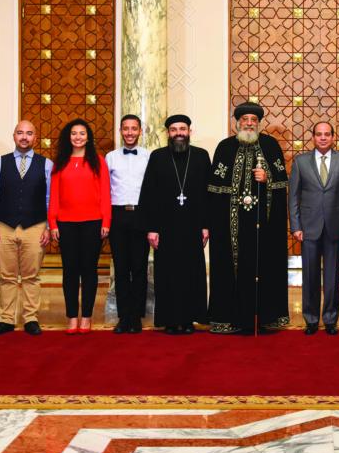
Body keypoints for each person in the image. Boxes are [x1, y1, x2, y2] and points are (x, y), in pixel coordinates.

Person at [207, 102, 289, 334]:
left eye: (253, 120)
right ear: (238, 123)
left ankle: (266, 317)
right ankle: (230, 318)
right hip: (231, 226)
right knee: (230, 269)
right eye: (245, 120)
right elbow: (215, 189)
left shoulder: (271, 146)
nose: (249, 124)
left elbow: (281, 183)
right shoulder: (225, 147)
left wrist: (267, 178)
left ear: (259, 123)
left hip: (263, 226)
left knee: (263, 267)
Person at [139, 114, 211, 334]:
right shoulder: (158, 156)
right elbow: (149, 193)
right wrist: (151, 228)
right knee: (167, 274)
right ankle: (170, 319)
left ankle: (189, 319)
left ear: (189, 131)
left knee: (191, 273)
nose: (178, 133)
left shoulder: (201, 156)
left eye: (182, 129)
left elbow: (208, 194)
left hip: (193, 225)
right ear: (168, 133)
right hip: (165, 226)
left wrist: (206, 225)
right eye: (174, 129)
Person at [289, 121, 339, 335]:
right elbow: (293, 197)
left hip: (336, 227)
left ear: (333, 137)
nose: (322, 138)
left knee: (332, 277)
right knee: (309, 276)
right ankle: (311, 320)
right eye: (319, 134)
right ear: (313, 137)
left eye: (327, 134)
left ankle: (330, 319)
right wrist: (295, 226)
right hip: (308, 228)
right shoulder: (300, 162)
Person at [0, 120, 52, 336]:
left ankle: (30, 318)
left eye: (29, 133)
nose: (24, 137)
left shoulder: (47, 165)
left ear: (35, 137)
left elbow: (50, 199)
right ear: (13, 136)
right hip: (4, 226)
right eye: (20, 133)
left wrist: (48, 227)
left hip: (35, 226)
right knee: (7, 276)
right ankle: (6, 319)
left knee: (32, 276)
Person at [48, 118, 111, 334]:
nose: (78, 137)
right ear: (68, 137)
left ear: (88, 137)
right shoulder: (60, 162)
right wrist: (53, 223)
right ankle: (72, 316)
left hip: (93, 223)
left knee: (89, 270)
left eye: (82, 133)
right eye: (74, 133)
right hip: (65, 224)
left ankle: (87, 316)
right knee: (70, 272)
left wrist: (106, 221)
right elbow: (54, 195)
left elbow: (105, 193)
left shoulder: (98, 161)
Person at [106, 114, 151, 334]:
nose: (130, 132)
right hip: (117, 215)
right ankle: (123, 317)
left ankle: (136, 317)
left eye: (134, 128)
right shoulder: (111, 157)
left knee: (140, 268)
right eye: (126, 128)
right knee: (121, 268)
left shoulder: (149, 156)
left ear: (140, 131)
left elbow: (153, 189)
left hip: (141, 214)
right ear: (120, 131)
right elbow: (105, 190)